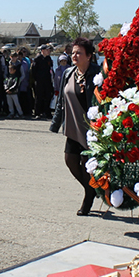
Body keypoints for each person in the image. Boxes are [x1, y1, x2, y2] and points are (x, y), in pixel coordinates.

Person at [50, 38, 101, 216]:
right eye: (73, 52)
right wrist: (55, 123)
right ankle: (91, 189)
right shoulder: (68, 73)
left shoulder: (98, 73)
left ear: (89, 56)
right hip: (72, 127)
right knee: (70, 161)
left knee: (87, 165)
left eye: (79, 52)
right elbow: (61, 101)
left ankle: (88, 198)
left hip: (91, 129)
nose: (74, 55)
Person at [31, 45, 54, 119]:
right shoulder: (37, 59)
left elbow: (51, 68)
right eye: (47, 50)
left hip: (47, 80)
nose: (48, 51)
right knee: (39, 97)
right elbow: (33, 71)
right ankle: (37, 112)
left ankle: (47, 112)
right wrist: (37, 79)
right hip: (39, 81)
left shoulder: (48, 58)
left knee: (48, 96)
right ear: (42, 50)